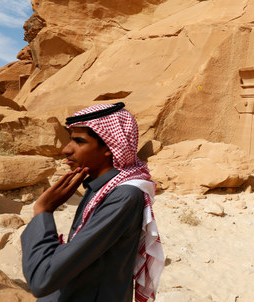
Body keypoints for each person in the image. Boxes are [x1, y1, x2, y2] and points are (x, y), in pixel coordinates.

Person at [21, 102, 164, 301]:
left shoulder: (124, 195)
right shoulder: (98, 187)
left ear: (110, 146)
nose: (66, 150)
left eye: (79, 141)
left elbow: (42, 279)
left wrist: (43, 211)